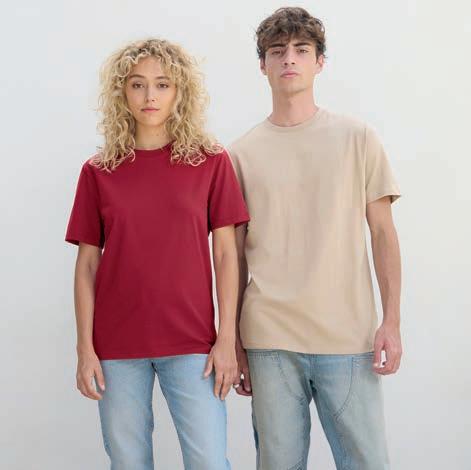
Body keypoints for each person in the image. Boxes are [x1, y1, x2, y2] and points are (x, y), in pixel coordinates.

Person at [229, 7, 402, 470]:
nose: (289, 59)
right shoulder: (240, 154)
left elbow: (383, 233)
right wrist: (234, 339)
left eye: (301, 50)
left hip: (348, 337)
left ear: (319, 62)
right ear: (262, 65)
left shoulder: (358, 138)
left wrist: (391, 321)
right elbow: (232, 257)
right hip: (269, 338)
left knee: (368, 463)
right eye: (277, 51)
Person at [65, 38, 249, 470]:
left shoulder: (210, 161)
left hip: (193, 343)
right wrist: (85, 348)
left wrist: (226, 338)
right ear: (122, 92)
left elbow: (226, 255)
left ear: (180, 91)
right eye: (138, 84)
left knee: (209, 461)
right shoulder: (99, 171)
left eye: (163, 84)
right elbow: (87, 265)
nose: (150, 96)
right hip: (116, 346)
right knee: (128, 463)